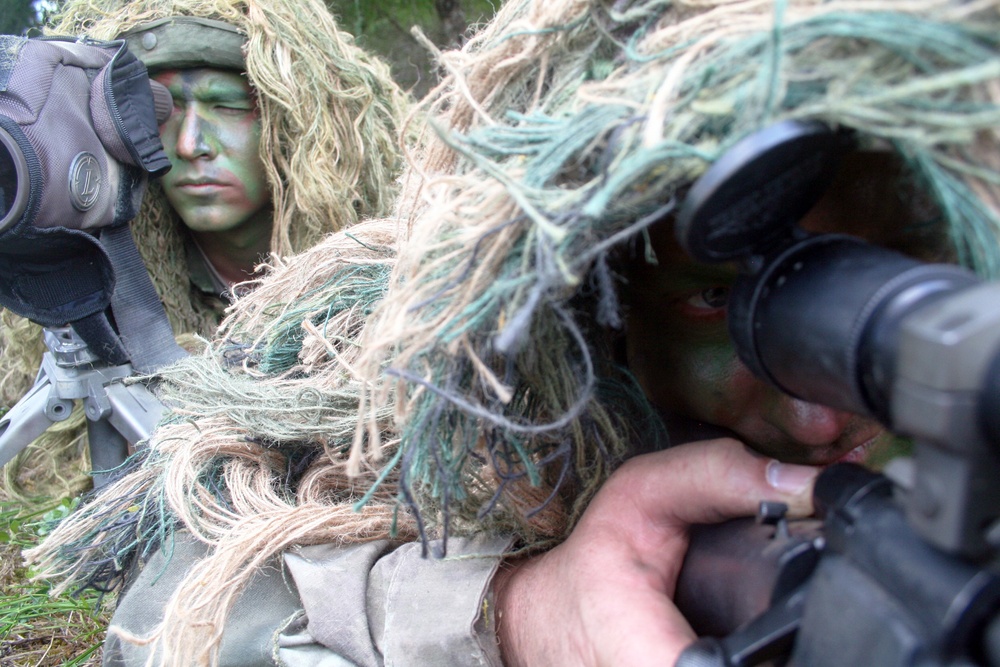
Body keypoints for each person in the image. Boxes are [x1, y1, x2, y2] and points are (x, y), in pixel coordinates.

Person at [28, 0, 1000, 665]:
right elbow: (171, 617)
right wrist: (511, 614)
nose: (820, 415)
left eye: (918, 273)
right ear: (596, 306)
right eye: (717, 300)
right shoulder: (447, 391)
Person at [0, 0, 408, 499]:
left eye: (229, 105)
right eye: (162, 110)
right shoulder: (106, 280)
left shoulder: (391, 269)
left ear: (299, 129)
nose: (191, 144)